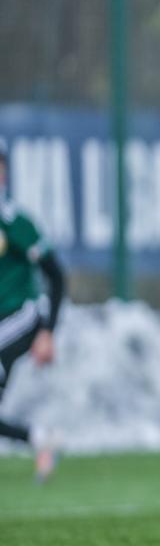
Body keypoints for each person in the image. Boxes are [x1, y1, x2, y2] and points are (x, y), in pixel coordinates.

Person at [0, 137, 64, 483]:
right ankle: (41, 439)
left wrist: (47, 331)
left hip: (21, 316)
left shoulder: (15, 223)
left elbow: (56, 276)